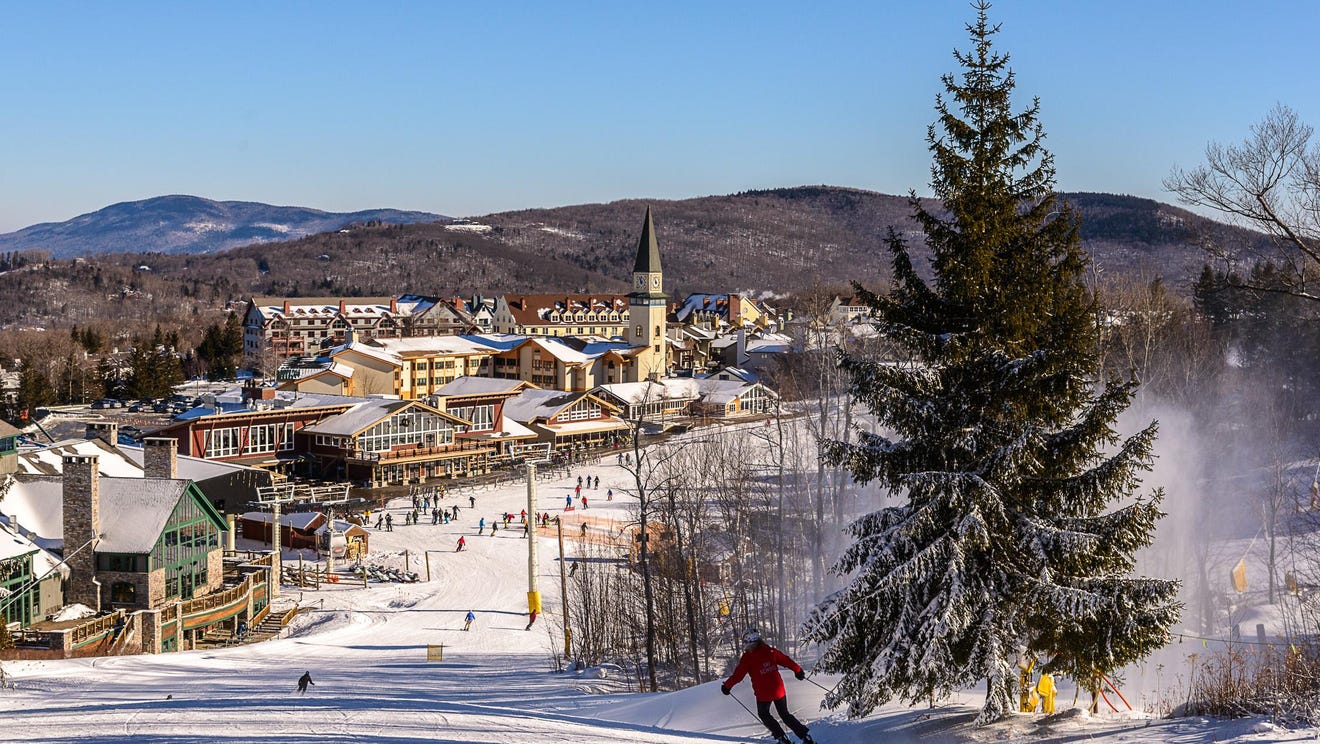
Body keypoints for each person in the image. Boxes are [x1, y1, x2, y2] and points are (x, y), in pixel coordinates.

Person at [721, 628, 813, 744]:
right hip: (779, 689)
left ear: (750, 642)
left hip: (764, 693)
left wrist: (727, 686)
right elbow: (786, 660)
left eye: (745, 642)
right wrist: (798, 671)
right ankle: (806, 737)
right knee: (785, 714)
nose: (745, 645)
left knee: (764, 714)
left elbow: (738, 676)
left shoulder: (748, 658)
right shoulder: (770, 651)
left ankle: (782, 739)